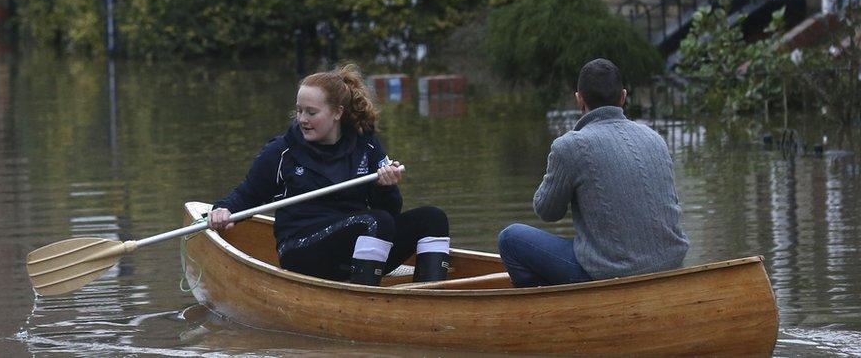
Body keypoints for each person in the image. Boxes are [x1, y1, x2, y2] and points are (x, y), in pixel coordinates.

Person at [207, 64, 450, 286]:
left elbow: (390, 210)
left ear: (337, 113)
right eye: (299, 111)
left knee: (432, 218)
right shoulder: (281, 152)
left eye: (311, 113)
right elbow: (247, 194)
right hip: (301, 248)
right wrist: (223, 210)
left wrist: (386, 187)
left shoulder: (367, 146)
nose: (302, 120)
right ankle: (365, 302)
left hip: (359, 240)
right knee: (375, 222)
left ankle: (431, 295)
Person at [498, 58, 689, 287]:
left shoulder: (570, 146)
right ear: (623, 97)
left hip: (613, 274)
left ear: (579, 99)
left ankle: (551, 314)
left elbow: (548, 211)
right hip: (671, 265)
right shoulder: (654, 138)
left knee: (510, 239)